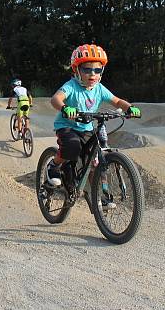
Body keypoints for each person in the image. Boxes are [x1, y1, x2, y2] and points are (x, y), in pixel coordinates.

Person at [46, 44, 141, 203]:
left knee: (94, 160)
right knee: (72, 147)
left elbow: (116, 101)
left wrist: (129, 107)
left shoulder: (99, 88)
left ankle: (99, 195)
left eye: (97, 70)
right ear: (77, 70)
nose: (92, 74)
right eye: (87, 70)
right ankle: (54, 165)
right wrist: (65, 108)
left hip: (87, 128)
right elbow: (56, 99)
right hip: (67, 126)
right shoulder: (71, 86)